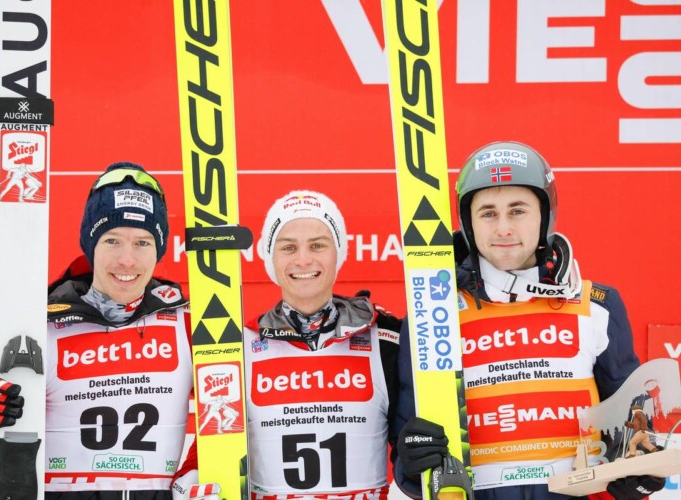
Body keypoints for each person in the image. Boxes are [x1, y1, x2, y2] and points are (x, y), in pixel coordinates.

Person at [393, 142, 666, 500]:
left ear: (544, 215)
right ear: (469, 223)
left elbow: (633, 429)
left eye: (518, 210)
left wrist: (638, 471)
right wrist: (413, 464)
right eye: (488, 213)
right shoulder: (434, 315)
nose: (503, 228)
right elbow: (410, 450)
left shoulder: (597, 306)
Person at [0, 162, 218, 499]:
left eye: (142, 243)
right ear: (91, 245)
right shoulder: (41, 326)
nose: (127, 260)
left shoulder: (185, 323)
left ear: (158, 249)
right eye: (112, 240)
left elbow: (230, 415)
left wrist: (192, 475)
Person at [242, 190, 402, 498]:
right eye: (288, 247)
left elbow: (413, 438)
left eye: (318, 245)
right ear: (270, 258)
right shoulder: (242, 345)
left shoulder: (385, 337)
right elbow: (212, 437)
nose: (304, 259)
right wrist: (195, 471)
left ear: (338, 252)